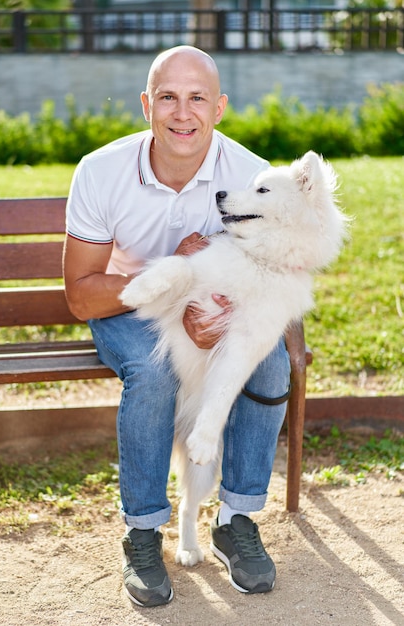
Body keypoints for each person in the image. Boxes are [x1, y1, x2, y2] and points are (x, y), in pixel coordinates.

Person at [63, 45, 291, 608]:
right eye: (168, 96)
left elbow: (276, 273)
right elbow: (81, 295)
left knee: (271, 361)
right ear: (146, 105)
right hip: (129, 307)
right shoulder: (100, 170)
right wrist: (173, 275)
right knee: (154, 371)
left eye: (197, 98)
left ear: (220, 107)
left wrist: (220, 314)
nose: (181, 112)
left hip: (224, 307)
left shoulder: (249, 175)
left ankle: (235, 521)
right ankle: (143, 532)